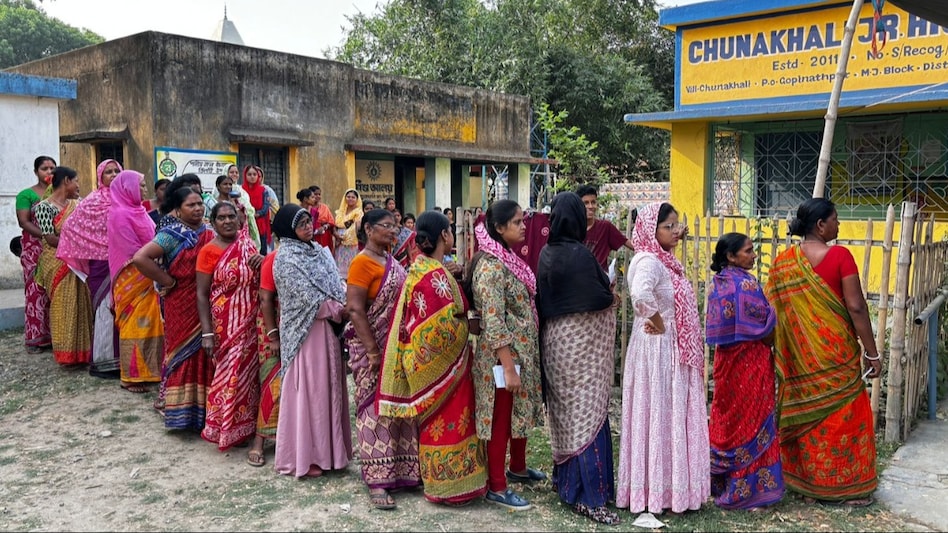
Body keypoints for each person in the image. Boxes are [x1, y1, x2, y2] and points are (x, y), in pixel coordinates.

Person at [764, 198, 881, 507]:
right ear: (820, 225)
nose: (838, 225)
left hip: (800, 360)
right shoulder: (840, 256)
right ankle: (849, 490)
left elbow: (772, 312)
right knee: (846, 415)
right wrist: (872, 353)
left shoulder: (782, 262)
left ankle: (807, 486)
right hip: (836, 355)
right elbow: (856, 306)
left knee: (810, 416)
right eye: (835, 219)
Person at [378, 210, 487, 506]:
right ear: (444, 236)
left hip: (421, 364)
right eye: (450, 230)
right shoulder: (434, 275)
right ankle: (452, 488)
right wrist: (469, 324)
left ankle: (439, 483)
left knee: (435, 423)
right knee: (453, 419)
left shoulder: (421, 268)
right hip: (442, 366)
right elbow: (445, 330)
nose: (452, 234)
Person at [616, 202, 710, 515]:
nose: (675, 231)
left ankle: (672, 491)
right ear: (649, 230)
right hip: (658, 347)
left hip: (669, 346)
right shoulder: (648, 261)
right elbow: (640, 295)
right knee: (658, 413)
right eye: (667, 226)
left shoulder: (663, 260)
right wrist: (658, 322)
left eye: (675, 225)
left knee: (670, 415)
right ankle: (654, 492)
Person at [536, 192, 621, 525]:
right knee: (588, 416)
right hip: (583, 348)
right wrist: (610, 291)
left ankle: (566, 484)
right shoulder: (581, 255)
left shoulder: (545, 253)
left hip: (555, 345)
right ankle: (590, 497)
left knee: (566, 415)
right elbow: (601, 297)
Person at [468, 199, 546, 511]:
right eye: (517, 222)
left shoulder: (507, 259)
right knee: (500, 418)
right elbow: (493, 318)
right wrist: (509, 366)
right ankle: (497, 486)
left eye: (523, 220)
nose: (523, 226)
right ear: (499, 228)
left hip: (519, 354)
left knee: (518, 411)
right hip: (500, 359)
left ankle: (519, 467)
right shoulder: (490, 266)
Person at [344, 208, 422, 510]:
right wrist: (373, 350)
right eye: (386, 226)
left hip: (397, 348)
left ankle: (404, 471)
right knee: (373, 410)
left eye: (395, 226)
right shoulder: (362, 263)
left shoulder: (391, 261)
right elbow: (354, 309)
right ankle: (377, 480)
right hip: (372, 349)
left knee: (399, 405)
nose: (393, 231)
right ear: (368, 228)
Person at [271, 204, 351, 478]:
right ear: (287, 230)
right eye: (300, 223)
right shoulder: (286, 259)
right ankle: (308, 457)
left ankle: (332, 454)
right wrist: (341, 309)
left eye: (308, 221)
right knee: (312, 393)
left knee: (329, 388)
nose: (307, 226)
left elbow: (335, 282)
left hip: (329, 331)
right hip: (306, 333)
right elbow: (305, 299)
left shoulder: (318, 251)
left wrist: (343, 301)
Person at [706, 232, 784, 510]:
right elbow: (765, 329)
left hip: (726, 364)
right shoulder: (747, 284)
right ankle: (748, 493)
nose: (753, 256)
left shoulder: (718, 283)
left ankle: (722, 483)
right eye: (748, 251)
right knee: (752, 422)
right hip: (750, 363)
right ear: (731, 256)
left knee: (728, 418)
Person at [132, 187, 214, 430]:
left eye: (200, 203)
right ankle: (181, 414)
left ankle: (208, 410)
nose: (198, 208)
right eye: (191, 205)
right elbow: (140, 258)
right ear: (178, 210)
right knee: (182, 354)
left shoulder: (210, 231)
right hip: (181, 301)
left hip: (209, 300)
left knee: (207, 354)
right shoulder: (172, 234)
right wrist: (168, 281)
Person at [196, 202, 264, 452]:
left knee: (249, 375)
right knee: (228, 374)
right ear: (213, 223)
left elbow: (260, 279)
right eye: (221, 218)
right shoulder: (209, 251)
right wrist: (207, 333)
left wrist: (262, 261)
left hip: (251, 320)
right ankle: (224, 427)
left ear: (239, 219)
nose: (227, 221)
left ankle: (246, 426)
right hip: (224, 323)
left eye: (231, 217)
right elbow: (202, 294)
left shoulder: (248, 245)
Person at [57, 159, 123, 379]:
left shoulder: (125, 198)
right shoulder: (92, 201)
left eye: (117, 171)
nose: (113, 175)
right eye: (108, 172)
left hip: (124, 263)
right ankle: (105, 362)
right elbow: (70, 228)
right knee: (106, 311)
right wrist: (94, 247)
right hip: (100, 265)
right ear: (100, 176)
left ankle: (127, 358)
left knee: (124, 310)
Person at [107, 170, 163, 394]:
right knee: (134, 323)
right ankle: (130, 376)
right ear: (127, 188)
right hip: (133, 274)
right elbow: (131, 250)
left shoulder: (139, 210)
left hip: (148, 270)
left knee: (151, 322)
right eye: (140, 185)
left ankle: (150, 370)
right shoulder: (119, 214)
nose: (145, 189)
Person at [34, 166, 93, 367]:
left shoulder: (78, 204)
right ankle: (66, 354)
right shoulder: (45, 207)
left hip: (78, 261)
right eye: (76, 181)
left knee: (82, 305)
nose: (78, 185)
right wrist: (77, 240)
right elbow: (50, 238)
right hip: (58, 262)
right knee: (63, 306)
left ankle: (83, 353)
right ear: (66, 181)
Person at [15, 155, 56, 353]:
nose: (49, 172)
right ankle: (35, 338)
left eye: (52, 168)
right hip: (34, 249)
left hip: (56, 248)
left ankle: (55, 336)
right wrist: (46, 236)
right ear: (35, 172)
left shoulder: (60, 194)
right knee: (36, 292)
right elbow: (24, 222)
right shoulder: (26, 195)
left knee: (54, 291)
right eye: (44, 168)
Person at [575, 184, 634, 270]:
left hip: (600, 281)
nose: (590, 206)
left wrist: (652, 251)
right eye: (586, 203)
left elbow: (628, 243)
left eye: (593, 202)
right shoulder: (572, 229)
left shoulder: (605, 227)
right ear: (578, 205)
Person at [241, 164, 276, 254]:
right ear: (245, 175)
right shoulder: (241, 191)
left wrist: (254, 214)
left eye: (254, 174)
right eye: (249, 174)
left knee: (261, 252)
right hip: (246, 225)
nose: (252, 177)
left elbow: (265, 207)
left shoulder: (264, 190)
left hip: (260, 225)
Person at [334, 188, 364, 280]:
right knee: (339, 260)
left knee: (350, 261)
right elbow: (335, 225)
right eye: (348, 197)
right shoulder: (340, 211)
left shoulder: (358, 212)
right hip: (338, 239)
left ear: (357, 199)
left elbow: (354, 226)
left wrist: (344, 237)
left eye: (353, 197)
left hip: (351, 239)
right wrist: (336, 236)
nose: (350, 199)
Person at [307, 185, 335, 252]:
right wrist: (315, 231)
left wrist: (324, 227)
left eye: (319, 194)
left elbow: (331, 222)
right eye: (315, 194)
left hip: (324, 236)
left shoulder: (324, 207)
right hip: (311, 236)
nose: (318, 196)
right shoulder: (307, 208)